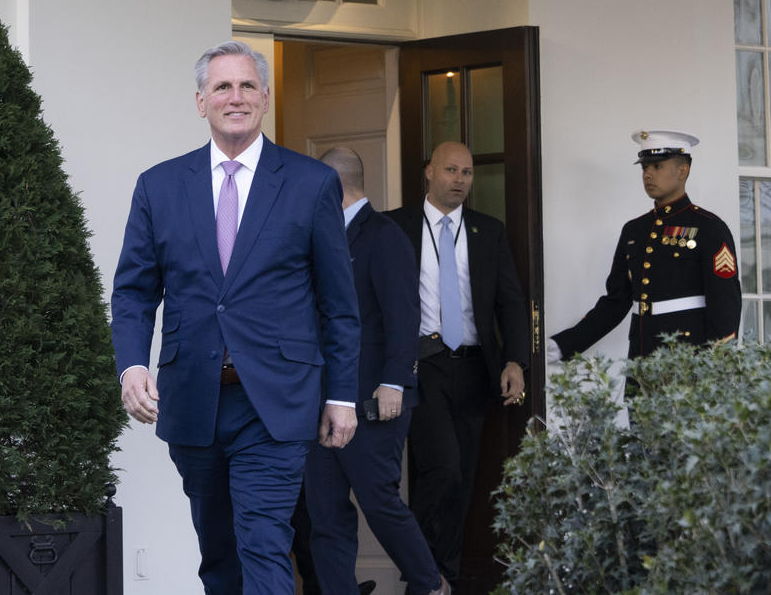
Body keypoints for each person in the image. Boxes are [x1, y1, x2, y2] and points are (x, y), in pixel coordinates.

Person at [111, 41, 361, 595]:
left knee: (263, 543)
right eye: (222, 87)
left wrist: (341, 395)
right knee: (218, 554)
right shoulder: (160, 185)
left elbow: (338, 304)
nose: (236, 97)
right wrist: (131, 366)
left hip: (275, 400)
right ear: (201, 101)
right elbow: (133, 292)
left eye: (248, 86)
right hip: (194, 397)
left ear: (266, 98)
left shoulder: (309, 183)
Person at [384, 141, 529, 590]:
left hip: (472, 369)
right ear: (428, 172)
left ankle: (441, 575)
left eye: (467, 172)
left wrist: (516, 360)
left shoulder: (489, 231)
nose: (460, 180)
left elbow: (510, 301)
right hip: (420, 366)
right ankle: (425, 575)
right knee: (441, 469)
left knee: (462, 479)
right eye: (450, 170)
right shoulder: (393, 227)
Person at [306, 147, 451, 595]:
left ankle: (429, 585)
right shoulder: (319, 238)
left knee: (379, 501)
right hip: (321, 399)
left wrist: (395, 382)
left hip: (374, 399)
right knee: (325, 513)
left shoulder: (383, 235)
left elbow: (404, 316)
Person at [549, 130, 741, 362]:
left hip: (688, 361)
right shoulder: (635, 230)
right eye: (644, 167)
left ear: (683, 170)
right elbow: (616, 303)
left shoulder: (709, 228)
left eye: (657, 166)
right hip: (642, 356)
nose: (647, 174)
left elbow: (725, 305)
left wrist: (717, 366)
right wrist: (562, 345)